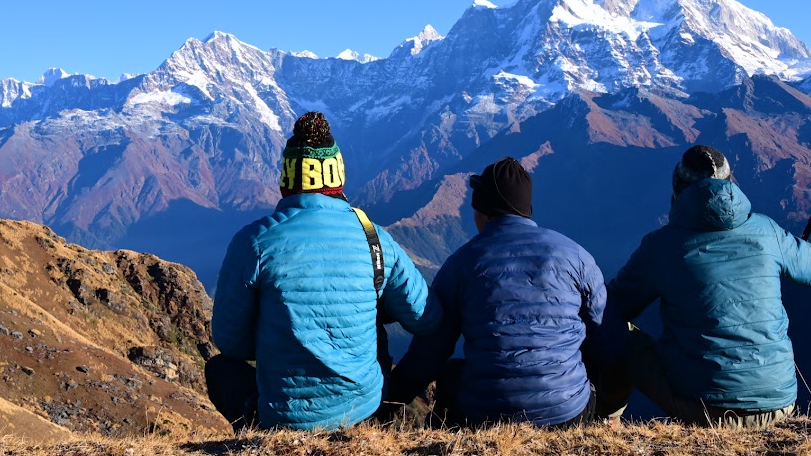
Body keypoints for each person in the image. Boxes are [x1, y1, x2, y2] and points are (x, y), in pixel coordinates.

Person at [208, 111, 440, 430]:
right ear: (337, 178)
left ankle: (253, 435)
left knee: (221, 370)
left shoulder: (253, 243)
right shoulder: (373, 238)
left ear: (286, 180)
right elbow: (427, 319)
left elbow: (230, 342)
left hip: (283, 419)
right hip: (363, 408)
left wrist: (281, 339)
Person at [598, 144, 811, 428]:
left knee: (620, 335)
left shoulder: (661, 246)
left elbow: (610, 309)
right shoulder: (768, 232)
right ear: (731, 185)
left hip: (704, 408)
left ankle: (603, 423)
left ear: (677, 190)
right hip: (779, 402)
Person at [387, 157, 608, 427]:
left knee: (453, 372)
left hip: (486, 415)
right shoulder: (576, 255)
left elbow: (431, 351)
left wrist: (386, 402)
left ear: (483, 211)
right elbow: (602, 324)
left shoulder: (461, 263)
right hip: (566, 413)